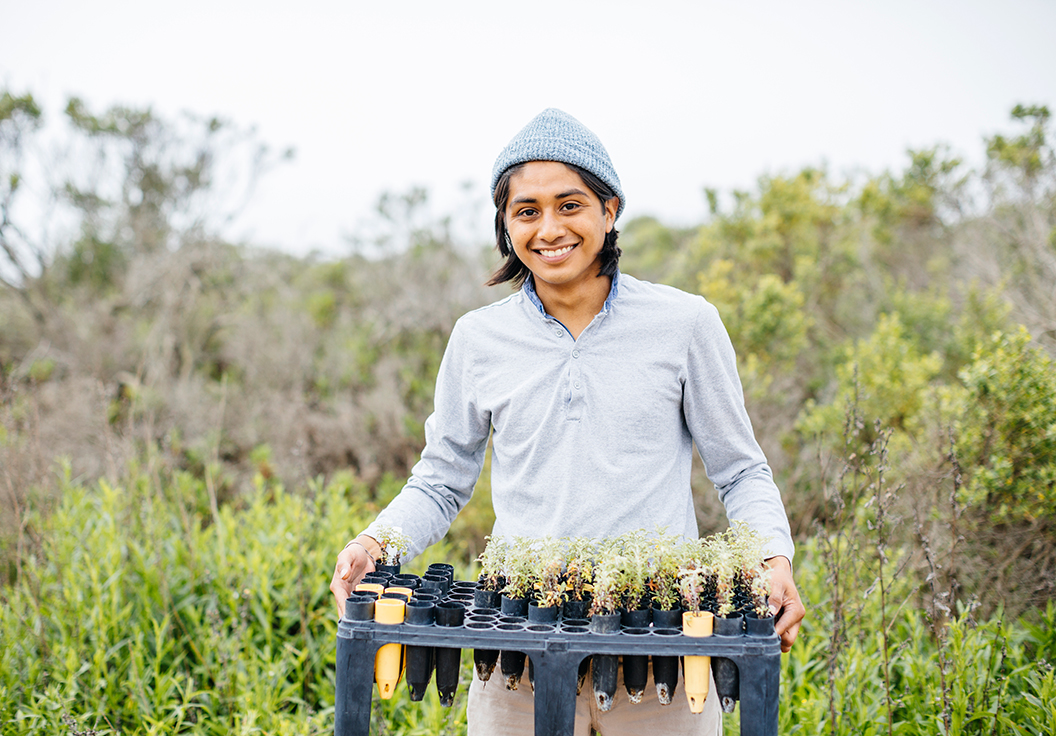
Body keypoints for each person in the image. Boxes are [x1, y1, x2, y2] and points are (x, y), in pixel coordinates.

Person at [330, 108, 805, 735]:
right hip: (517, 657)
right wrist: (375, 544)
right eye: (526, 211)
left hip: (661, 649)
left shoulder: (684, 324)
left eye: (570, 205)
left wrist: (773, 556)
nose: (549, 228)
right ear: (506, 226)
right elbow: (442, 479)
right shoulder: (479, 339)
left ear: (609, 211)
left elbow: (740, 470)